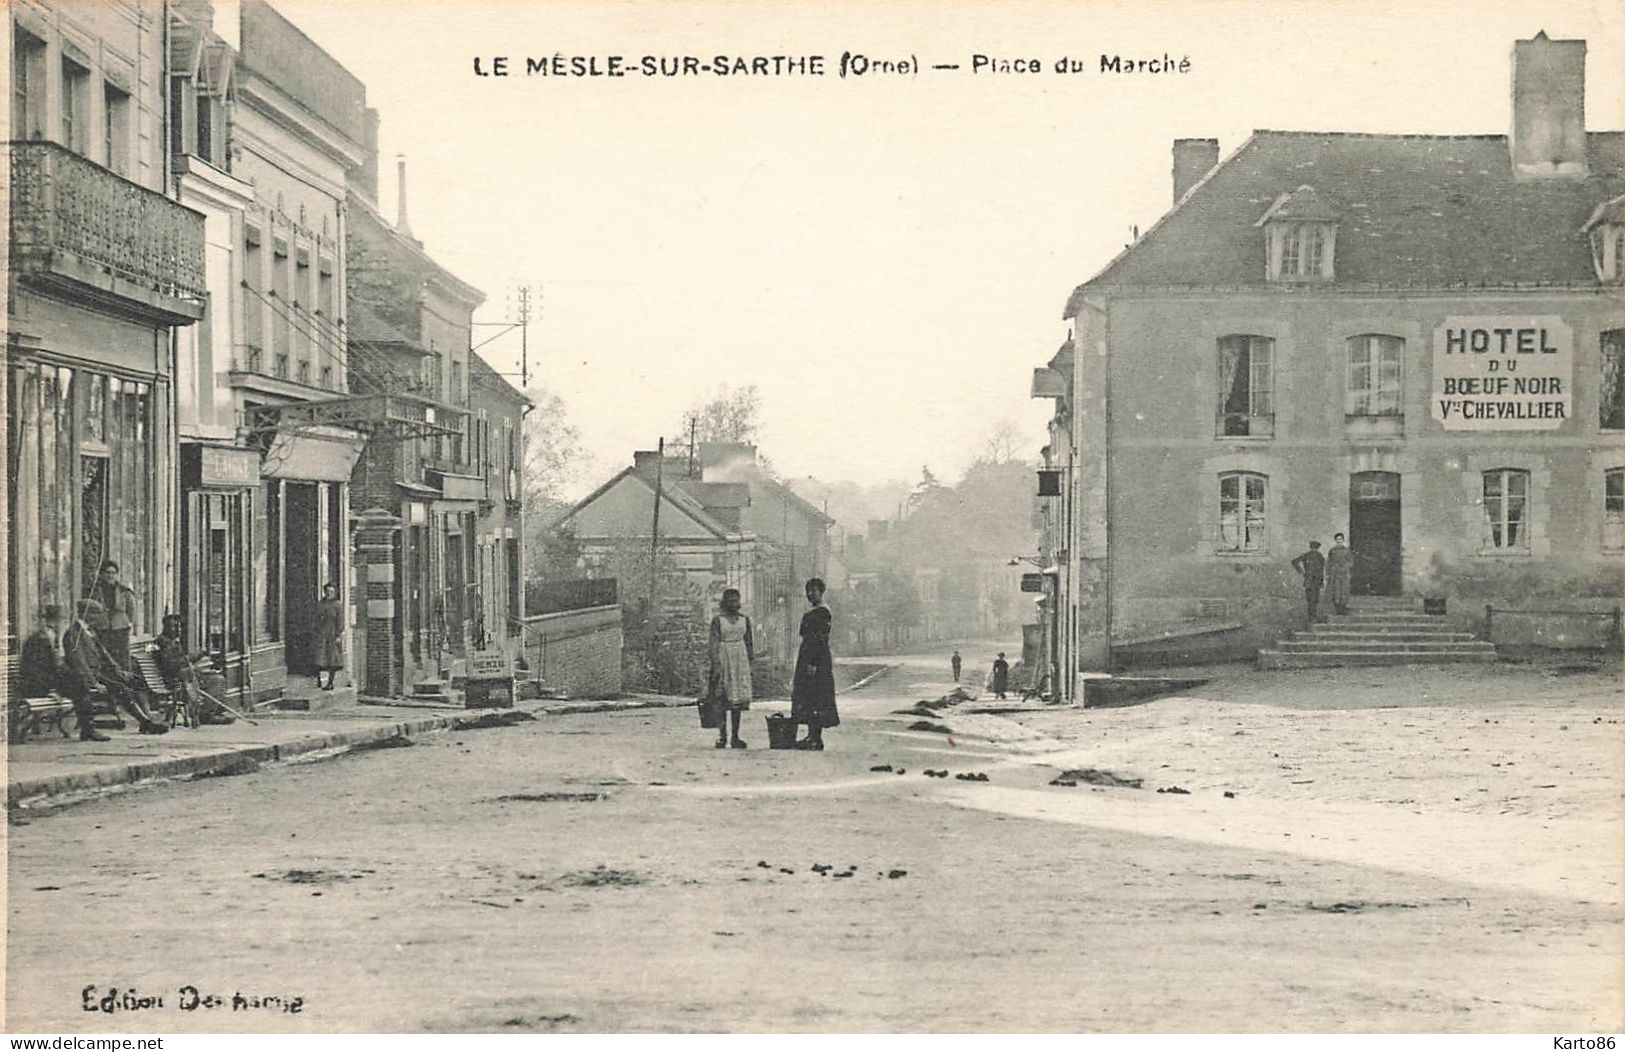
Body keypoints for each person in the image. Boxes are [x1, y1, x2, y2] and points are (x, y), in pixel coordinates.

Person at [64, 599, 166, 735]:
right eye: (96, 614)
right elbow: (79, 662)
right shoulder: (73, 634)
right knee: (121, 689)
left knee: (135, 681)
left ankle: (146, 720)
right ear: (86, 614)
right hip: (82, 679)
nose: (99, 618)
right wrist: (94, 683)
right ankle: (145, 722)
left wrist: (119, 671)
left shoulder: (90, 632)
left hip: (97, 674)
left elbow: (104, 654)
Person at [19, 604, 109, 742]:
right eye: (59, 620)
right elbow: (35, 670)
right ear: (53, 620)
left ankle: (88, 729)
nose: (61, 623)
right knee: (80, 687)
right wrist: (51, 689)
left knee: (80, 685)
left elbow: (55, 666)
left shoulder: (48, 636)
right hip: (36, 685)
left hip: (45, 682)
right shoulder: (40, 639)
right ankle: (88, 729)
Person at [790, 577, 838, 750]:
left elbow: (819, 639)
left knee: (816, 696)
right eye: (809, 591)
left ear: (821, 592)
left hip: (816, 659)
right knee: (809, 697)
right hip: (807, 656)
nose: (811, 594)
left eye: (815, 591)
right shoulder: (812, 611)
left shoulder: (822, 612)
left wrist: (813, 663)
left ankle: (816, 738)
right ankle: (811, 736)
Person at [706, 588, 755, 749]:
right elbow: (713, 644)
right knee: (722, 698)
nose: (734, 604)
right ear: (724, 602)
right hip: (724, 658)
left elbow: (749, 643)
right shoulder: (718, 621)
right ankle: (722, 736)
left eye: (736, 600)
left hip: (740, 661)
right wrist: (716, 663)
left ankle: (735, 736)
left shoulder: (744, 620)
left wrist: (750, 664)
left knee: (737, 700)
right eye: (730, 601)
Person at [91, 560, 139, 671]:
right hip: (102, 629)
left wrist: (127, 623)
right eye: (107, 573)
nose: (110, 576)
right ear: (102, 574)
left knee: (122, 658)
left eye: (113, 573)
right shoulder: (95, 591)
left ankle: (126, 679)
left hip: (120, 629)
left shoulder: (124, 591)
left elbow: (131, 610)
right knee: (104, 657)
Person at [314, 584, 345, 690]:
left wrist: (338, 635)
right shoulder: (320, 604)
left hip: (332, 635)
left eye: (331, 592)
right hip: (322, 635)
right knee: (319, 659)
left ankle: (330, 682)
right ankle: (318, 681)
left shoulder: (337, 605)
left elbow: (340, 621)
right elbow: (316, 619)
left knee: (333, 660)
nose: (329, 594)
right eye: (327, 591)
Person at [1291, 541, 1327, 623]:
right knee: (1311, 599)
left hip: (1316, 581)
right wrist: (1301, 572)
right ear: (1311, 548)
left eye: (1315, 548)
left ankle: (1313, 617)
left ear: (1317, 548)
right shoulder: (1306, 555)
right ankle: (1311, 618)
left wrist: (1321, 581)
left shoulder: (1320, 556)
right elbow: (1294, 562)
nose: (1314, 550)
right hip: (1309, 581)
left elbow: (1321, 569)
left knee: (1315, 599)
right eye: (1313, 548)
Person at [1325, 533, 1354, 616]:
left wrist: (1345, 567)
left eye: (1340, 539)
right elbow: (1329, 562)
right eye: (1337, 539)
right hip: (1335, 574)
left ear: (1343, 540)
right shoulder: (1332, 551)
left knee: (1344, 591)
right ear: (1335, 541)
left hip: (1344, 574)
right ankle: (1337, 609)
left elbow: (1351, 562)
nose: (1339, 541)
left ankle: (1343, 609)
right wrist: (1328, 572)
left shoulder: (1347, 551)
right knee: (1336, 591)